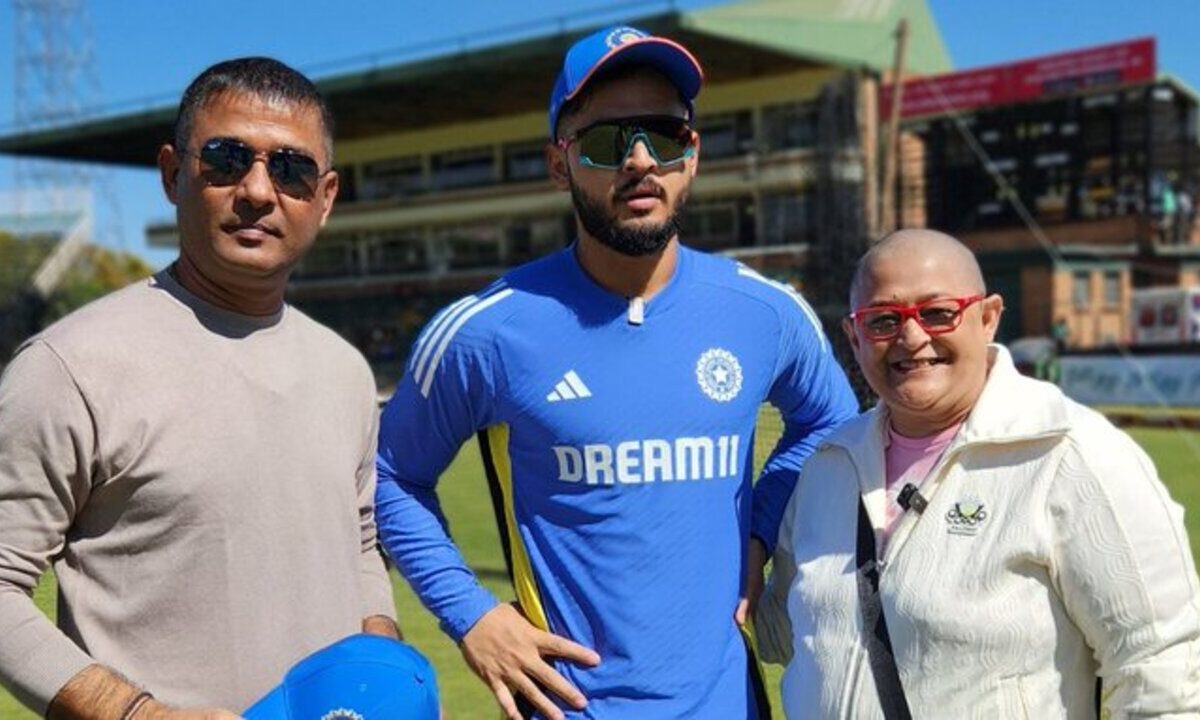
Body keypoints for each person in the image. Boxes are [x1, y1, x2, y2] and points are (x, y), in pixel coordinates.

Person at [375, 24, 858, 720]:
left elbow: (828, 423)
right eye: (605, 142)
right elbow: (392, 475)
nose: (638, 161)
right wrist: (471, 615)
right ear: (558, 164)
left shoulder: (765, 312)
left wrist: (760, 531)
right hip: (571, 707)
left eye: (662, 136)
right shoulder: (487, 329)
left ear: (691, 157)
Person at [0, 58, 399, 718]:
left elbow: (358, 544)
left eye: (291, 170)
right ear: (172, 174)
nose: (258, 191)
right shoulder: (68, 367)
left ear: (324, 200)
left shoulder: (345, 370)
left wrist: (378, 657)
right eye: (226, 158)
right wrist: (135, 714)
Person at [756, 229, 1200, 717]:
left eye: (938, 312)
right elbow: (783, 631)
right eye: (884, 320)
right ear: (854, 336)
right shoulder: (829, 465)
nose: (912, 336)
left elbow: (1164, 670)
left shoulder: (1068, 454)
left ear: (987, 318)